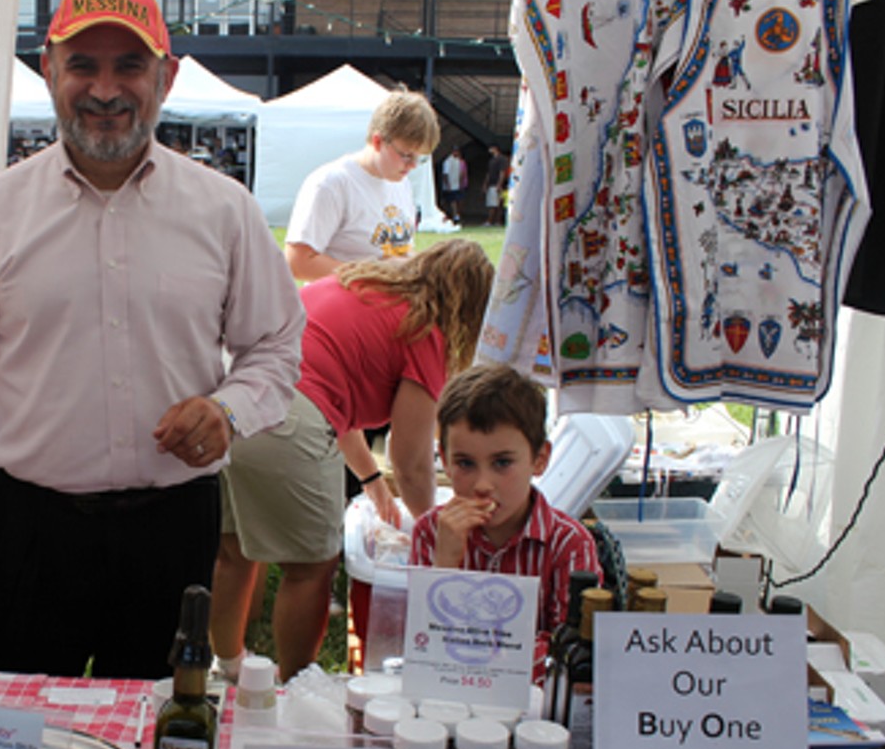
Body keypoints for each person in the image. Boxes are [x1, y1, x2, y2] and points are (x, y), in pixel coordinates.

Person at [0, 0, 304, 680]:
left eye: (129, 66)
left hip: (173, 528)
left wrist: (228, 410)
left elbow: (275, 346)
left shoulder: (224, 212)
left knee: (161, 743)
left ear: (166, 78)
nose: (105, 89)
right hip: (30, 530)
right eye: (83, 65)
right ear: (49, 71)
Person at [212, 240, 494, 682]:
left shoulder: (359, 285)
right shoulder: (427, 331)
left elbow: (333, 394)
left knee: (234, 551)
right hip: (286, 417)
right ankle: (295, 688)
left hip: (231, 401)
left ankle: (225, 668)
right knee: (310, 569)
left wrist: (370, 481)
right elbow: (411, 461)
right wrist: (436, 530)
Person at [409, 363, 602, 678]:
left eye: (502, 463)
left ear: (539, 460)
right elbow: (419, 642)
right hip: (448, 699)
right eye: (465, 463)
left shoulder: (570, 544)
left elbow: (572, 652)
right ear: (444, 461)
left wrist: (478, 655)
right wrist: (445, 565)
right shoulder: (432, 532)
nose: (483, 484)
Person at [284, 90, 441, 283]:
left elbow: (397, 251)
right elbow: (297, 263)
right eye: (406, 155)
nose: (412, 166)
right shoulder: (331, 183)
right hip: (341, 309)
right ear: (378, 141)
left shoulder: (401, 183)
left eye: (420, 158)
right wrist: (376, 273)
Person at [440, 148, 468, 224]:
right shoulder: (448, 162)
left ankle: (456, 215)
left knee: (456, 201)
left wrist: (460, 183)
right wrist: (447, 185)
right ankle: (451, 215)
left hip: (456, 185)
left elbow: (461, 174)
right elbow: (445, 174)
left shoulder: (458, 161)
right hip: (450, 186)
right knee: (451, 201)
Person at [485, 145, 508, 226]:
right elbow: (488, 173)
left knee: (497, 204)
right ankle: (493, 221)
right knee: (493, 203)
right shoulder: (491, 160)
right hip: (491, 184)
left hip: (496, 184)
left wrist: (499, 184)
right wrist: (486, 184)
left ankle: (493, 221)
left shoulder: (502, 159)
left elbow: (502, 172)